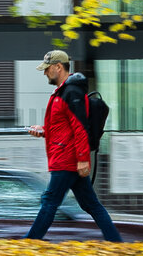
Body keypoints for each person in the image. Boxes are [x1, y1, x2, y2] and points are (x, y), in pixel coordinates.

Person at [25, 50, 122, 242]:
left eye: (47, 69)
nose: (45, 73)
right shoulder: (63, 93)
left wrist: (83, 159)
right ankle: (116, 242)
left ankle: (30, 242)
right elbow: (64, 128)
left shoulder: (72, 93)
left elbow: (80, 128)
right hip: (69, 159)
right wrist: (43, 130)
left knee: (50, 201)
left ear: (58, 67)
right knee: (90, 204)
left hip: (67, 160)